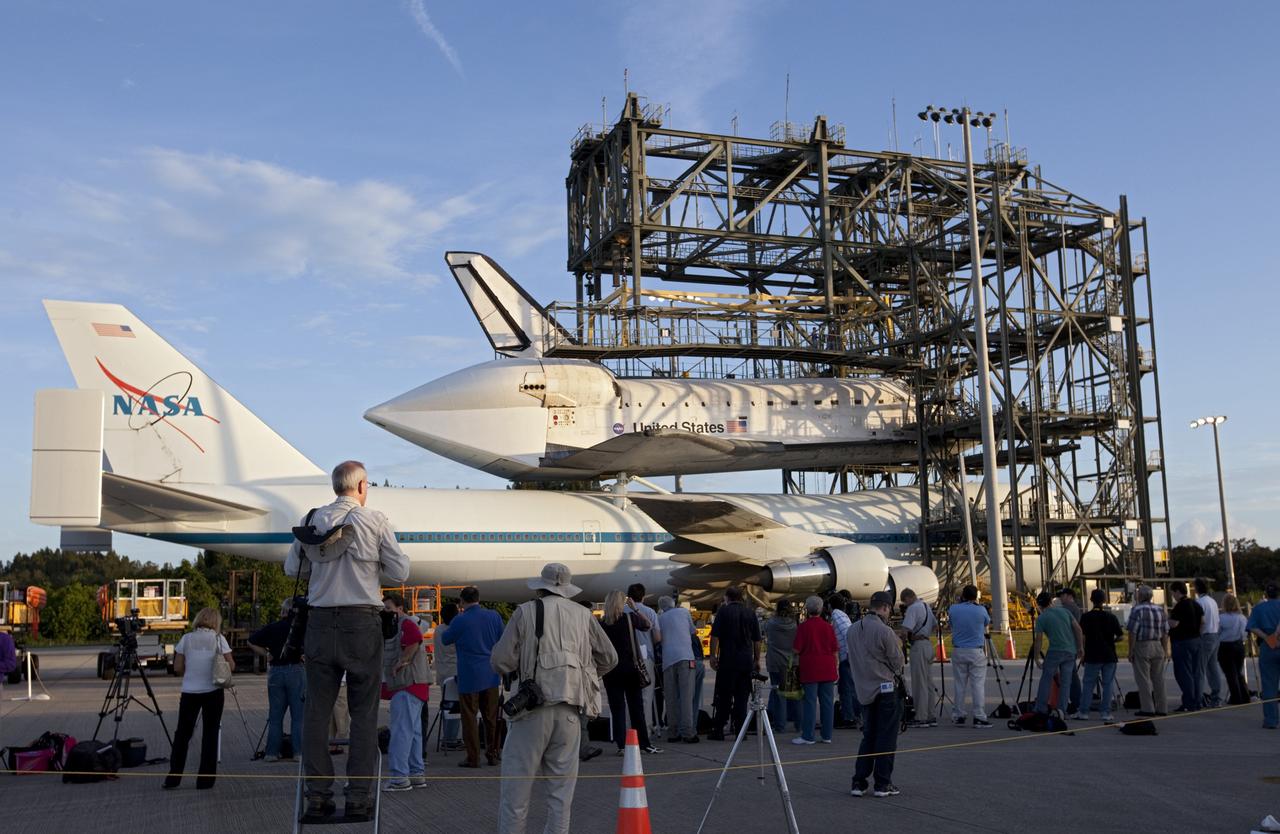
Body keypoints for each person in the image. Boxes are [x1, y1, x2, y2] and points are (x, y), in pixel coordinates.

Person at [285, 460, 410, 822]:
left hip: (320, 623)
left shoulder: (312, 519)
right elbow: (401, 573)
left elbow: (292, 569)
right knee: (363, 713)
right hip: (361, 623)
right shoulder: (374, 521)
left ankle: (317, 798)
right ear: (360, 487)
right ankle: (358, 798)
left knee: (317, 714)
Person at [491, 563, 618, 834]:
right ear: (567, 589)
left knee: (516, 795)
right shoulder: (584, 615)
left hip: (531, 712)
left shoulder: (525, 612)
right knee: (561, 798)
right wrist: (587, 675)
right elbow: (610, 658)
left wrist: (522, 665)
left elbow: (501, 660)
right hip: (571, 713)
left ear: (541, 588)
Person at [163, 607, 234, 790]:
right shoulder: (219, 640)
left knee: (183, 734)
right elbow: (231, 665)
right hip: (213, 691)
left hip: (190, 692)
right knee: (210, 734)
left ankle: (174, 777)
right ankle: (205, 780)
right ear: (215, 622)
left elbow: (177, 667)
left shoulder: (186, 639)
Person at [846, 591, 906, 798]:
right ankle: (882, 783)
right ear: (886, 607)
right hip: (885, 689)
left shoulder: (852, 630)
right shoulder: (885, 631)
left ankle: (858, 782)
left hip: (864, 690)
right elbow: (898, 662)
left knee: (868, 737)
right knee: (886, 737)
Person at [442, 585, 506, 768]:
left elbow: (445, 639)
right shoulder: (494, 616)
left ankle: (473, 757)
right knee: (491, 717)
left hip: (469, 675)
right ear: (478, 598)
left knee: (469, 717)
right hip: (491, 674)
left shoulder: (460, 620)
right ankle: (493, 753)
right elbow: (503, 638)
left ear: (462, 601)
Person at [380, 592, 430, 791]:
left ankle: (399, 777)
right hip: (416, 685)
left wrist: (402, 661)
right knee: (413, 731)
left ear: (400, 608)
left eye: (388, 608)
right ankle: (416, 773)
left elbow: (415, 640)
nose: (386, 612)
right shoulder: (405, 623)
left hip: (407, 684)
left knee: (401, 731)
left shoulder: (405, 623)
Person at [601, 590, 661, 754]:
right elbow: (648, 625)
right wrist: (635, 609)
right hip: (631, 669)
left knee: (617, 708)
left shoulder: (602, 623)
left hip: (611, 671)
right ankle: (644, 743)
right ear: (622, 603)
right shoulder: (629, 618)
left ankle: (621, 745)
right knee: (636, 708)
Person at [248, 598, 305, 761]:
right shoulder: (301, 628)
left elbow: (251, 641)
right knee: (298, 716)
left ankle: (272, 752)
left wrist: (266, 654)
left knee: (275, 715)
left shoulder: (272, 627)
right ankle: (298, 752)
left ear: (283, 611)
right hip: (296, 669)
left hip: (275, 671)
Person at [707, 586, 762, 740]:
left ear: (727, 597)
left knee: (724, 696)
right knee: (742, 697)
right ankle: (740, 730)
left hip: (728, 660)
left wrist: (712, 656)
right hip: (745, 661)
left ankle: (719, 729)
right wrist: (756, 659)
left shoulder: (723, 611)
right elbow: (757, 640)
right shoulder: (750, 613)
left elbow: (715, 636)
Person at [792, 595, 838, 745]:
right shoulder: (828, 627)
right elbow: (834, 649)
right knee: (827, 703)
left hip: (810, 668)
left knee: (810, 703)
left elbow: (796, 649)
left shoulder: (803, 627)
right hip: (827, 667)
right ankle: (827, 735)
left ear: (807, 609)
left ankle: (808, 735)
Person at [1032, 591, 1083, 717]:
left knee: (1046, 679)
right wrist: (1080, 646)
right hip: (1070, 651)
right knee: (1066, 682)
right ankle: (1062, 710)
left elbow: (1038, 640)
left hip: (1055, 651)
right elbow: (1078, 629)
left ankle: (1041, 708)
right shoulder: (1065, 612)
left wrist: (1036, 657)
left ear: (1039, 605)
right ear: (1051, 601)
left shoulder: (1042, 618)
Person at [1074, 589, 1122, 723]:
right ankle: (1105, 712)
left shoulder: (1086, 617)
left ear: (1091, 600)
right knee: (1108, 684)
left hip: (1092, 654)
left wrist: (1081, 651)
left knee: (1088, 683)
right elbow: (1121, 636)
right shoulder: (1111, 617)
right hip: (1109, 655)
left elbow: (1082, 636)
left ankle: (1084, 711)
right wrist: (1112, 641)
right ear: (1104, 600)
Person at [947, 585, 992, 727]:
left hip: (959, 650)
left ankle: (958, 715)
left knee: (959, 684)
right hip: (975, 650)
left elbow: (951, 623)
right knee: (977, 685)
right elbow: (986, 622)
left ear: (963, 596)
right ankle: (979, 715)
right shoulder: (981, 610)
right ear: (976, 596)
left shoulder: (954, 609)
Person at [657, 596, 699, 744]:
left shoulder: (659, 618)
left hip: (667, 661)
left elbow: (658, 638)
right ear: (673, 604)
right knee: (687, 697)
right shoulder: (683, 613)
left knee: (671, 698)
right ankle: (688, 732)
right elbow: (693, 631)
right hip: (686, 658)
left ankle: (672, 733)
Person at [1125, 585, 1169, 716]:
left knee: (1143, 679)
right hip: (1157, 645)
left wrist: (1131, 650)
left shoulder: (1136, 610)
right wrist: (1165, 650)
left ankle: (1148, 708)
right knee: (1159, 678)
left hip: (1142, 645)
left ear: (1140, 596)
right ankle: (1162, 707)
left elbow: (1132, 632)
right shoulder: (1160, 610)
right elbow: (1165, 631)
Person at [896, 588, 937, 728]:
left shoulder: (913, 608)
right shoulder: (926, 606)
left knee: (919, 683)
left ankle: (921, 716)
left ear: (907, 598)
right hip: (927, 645)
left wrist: (903, 638)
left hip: (918, 647)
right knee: (928, 682)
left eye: (904, 602)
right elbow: (935, 625)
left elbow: (905, 630)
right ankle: (931, 715)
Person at [626, 584, 662, 735]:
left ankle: (630, 730)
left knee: (629, 696)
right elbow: (657, 637)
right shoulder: (649, 612)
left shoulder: (621, 611)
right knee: (646, 696)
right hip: (645, 656)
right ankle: (645, 730)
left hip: (626, 657)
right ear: (643, 596)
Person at [764, 600, 801, 735]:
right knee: (794, 693)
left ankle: (780, 725)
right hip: (791, 661)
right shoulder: (794, 625)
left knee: (778, 693)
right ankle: (799, 724)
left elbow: (766, 634)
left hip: (775, 662)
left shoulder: (771, 624)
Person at [1247, 583, 1280, 730]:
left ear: (1265, 594)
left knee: (1269, 685)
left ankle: (1271, 720)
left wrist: (1267, 637)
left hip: (1268, 647)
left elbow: (1252, 626)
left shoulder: (1259, 608)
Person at [1168, 581, 1204, 712]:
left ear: (1177, 591)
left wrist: (1166, 619)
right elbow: (1203, 622)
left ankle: (1189, 701)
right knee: (1196, 672)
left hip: (1182, 641)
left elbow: (1174, 624)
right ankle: (1198, 700)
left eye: (1172, 592)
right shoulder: (1195, 604)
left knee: (1184, 673)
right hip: (1196, 640)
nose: (1172, 595)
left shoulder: (1180, 606)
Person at [827, 593, 858, 729]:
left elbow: (846, 634)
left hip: (847, 656)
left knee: (846, 688)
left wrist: (849, 654)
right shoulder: (842, 615)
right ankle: (854, 714)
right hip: (848, 655)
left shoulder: (836, 615)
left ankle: (849, 717)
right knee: (848, 687)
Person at [433, 603, 461, 748]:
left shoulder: (438, 629)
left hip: (442, 672)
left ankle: (448, 737)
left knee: (447, 705)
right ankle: (450, 739)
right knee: (455, 707)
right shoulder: (454, 630)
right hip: (455, 672)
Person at [1193, 578, 1223, 707]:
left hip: (1205, 636)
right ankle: (1216, 697)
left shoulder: (1199, 602)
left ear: (1197, 588)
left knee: (1199, 669)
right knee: (1213, 667)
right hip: (1215, 634)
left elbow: (1199, 621)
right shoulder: (1212, 601)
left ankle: (1198, 699)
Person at [1217, 594, 1250, 706]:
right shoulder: (1242, 618)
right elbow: (1245, 633)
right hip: (1239, 645)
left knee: (1230, 673)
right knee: (1237, 672)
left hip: (1226, 646)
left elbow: (1218, 632)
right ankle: (1245, 695)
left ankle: (1236, 697)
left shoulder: (1221, 618)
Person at [1056, 588, 1084, 711]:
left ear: (1068, 596)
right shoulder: (1075, 608)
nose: (1060, 599)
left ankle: (1075, 701)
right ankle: (1076, 700)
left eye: (1061, 596)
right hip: (1071, 645)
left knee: (1069, 676)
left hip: (1067, 645)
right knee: (1071, 674)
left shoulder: (1068, 609)